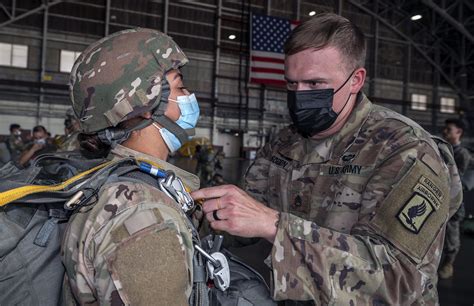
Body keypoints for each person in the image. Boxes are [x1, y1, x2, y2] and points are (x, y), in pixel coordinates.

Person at [191, 13, 462, 304]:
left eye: (315, 84)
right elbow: (245, 216)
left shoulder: (404, 149)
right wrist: (185, 216)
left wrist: (274, 225)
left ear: (356, 80)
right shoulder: (285, 142)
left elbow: (401, 280)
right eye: (292, 85)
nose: (300, 96)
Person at [61, 28, 201, 305]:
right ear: (147, 106)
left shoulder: (106, 177)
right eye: (180, 86)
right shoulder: (143, 217)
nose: (190, 95)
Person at [438, 118, 471, 279]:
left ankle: (448, 264)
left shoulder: (461, 154)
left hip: (453, 200)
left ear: (459, 132)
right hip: (439, 196)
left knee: (451, 236)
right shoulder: (442, 149)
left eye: (449, 129)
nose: (445, 131)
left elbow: (460, 180)